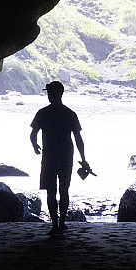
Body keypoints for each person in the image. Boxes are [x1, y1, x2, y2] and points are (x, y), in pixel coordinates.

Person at [30, 81, 91, 235]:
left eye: (50, 93)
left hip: (49, 157)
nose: (49, 96)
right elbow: (78, 139)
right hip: (66, 157)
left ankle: (55, 225)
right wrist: (83, 159)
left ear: (53, 94)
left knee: (51, 191)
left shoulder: (43, 113)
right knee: (64, 190)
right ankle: (62, 223)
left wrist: (35, 145)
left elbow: (33, 134)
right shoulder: (70, 114)